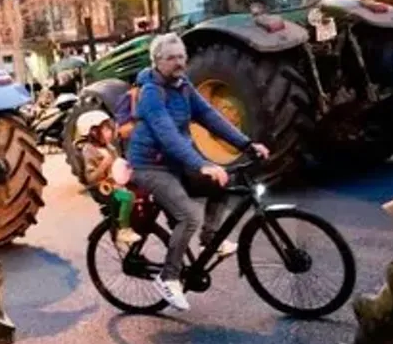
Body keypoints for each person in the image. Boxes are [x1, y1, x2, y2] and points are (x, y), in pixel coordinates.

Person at [126, 33, 269, 311]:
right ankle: (168, 278)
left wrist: (246, 144)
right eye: (171, 58)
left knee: (223, 182)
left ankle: (210, 240)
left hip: (176, 162)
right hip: (150, 166)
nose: (179, 63)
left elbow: (210, 116)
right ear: (157, 61)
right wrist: (200, 164)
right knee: (189, 215)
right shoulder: (151, 92)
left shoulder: (183, 85)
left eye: (182, 57)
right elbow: (167, 134)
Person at [76, 110, 141, 252]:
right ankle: (123, 229)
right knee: (127, 197)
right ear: (93, 132)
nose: (110, 132)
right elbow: (91, 178)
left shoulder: (109, 148)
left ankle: (128, 223)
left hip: (114, 184)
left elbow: (117, 167)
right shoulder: (89, 151)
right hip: (101, 188)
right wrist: (103, 166)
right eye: (105, 129)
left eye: (110, 128)